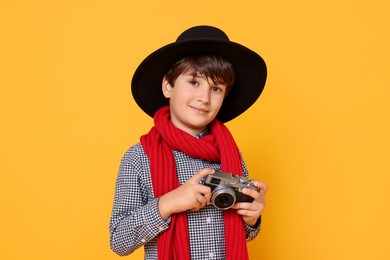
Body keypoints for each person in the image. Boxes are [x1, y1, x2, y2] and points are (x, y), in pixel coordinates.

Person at [109, 25, 269, 260]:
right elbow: (118, 240)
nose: (204, 97)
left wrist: (252, 218)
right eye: (194, 82)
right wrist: (166, 204)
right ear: (168, 86)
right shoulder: (139, 157)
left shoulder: (230, 154)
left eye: (216, 88)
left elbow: (240, 235)